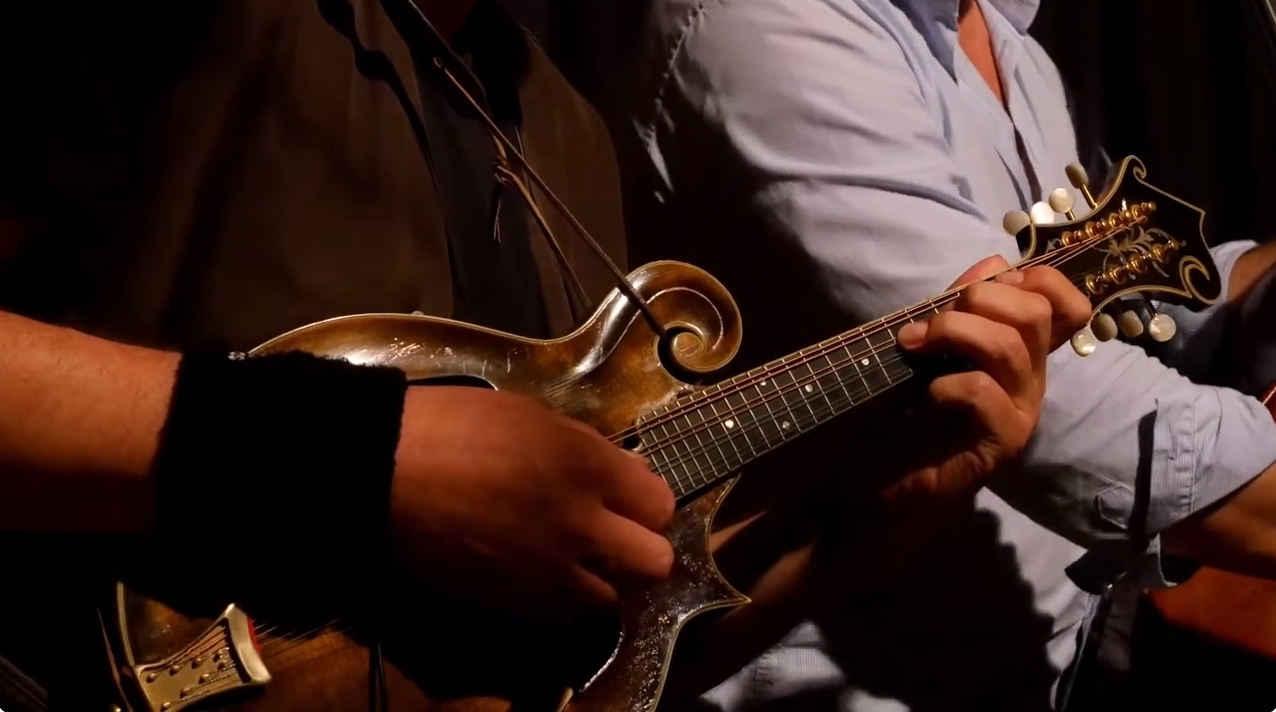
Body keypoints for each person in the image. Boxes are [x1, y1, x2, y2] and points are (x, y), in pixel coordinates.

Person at [0, 0, 1086, 709]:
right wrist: (365, 463)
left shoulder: (562, 128)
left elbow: (595, 664)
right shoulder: (176, 37)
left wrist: (876, 521)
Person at [615, 0, 1276, 709]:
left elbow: (1117, 307)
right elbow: (1080, 421)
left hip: (1051, 666)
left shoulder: (1005, 46)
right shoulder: (773, 23)